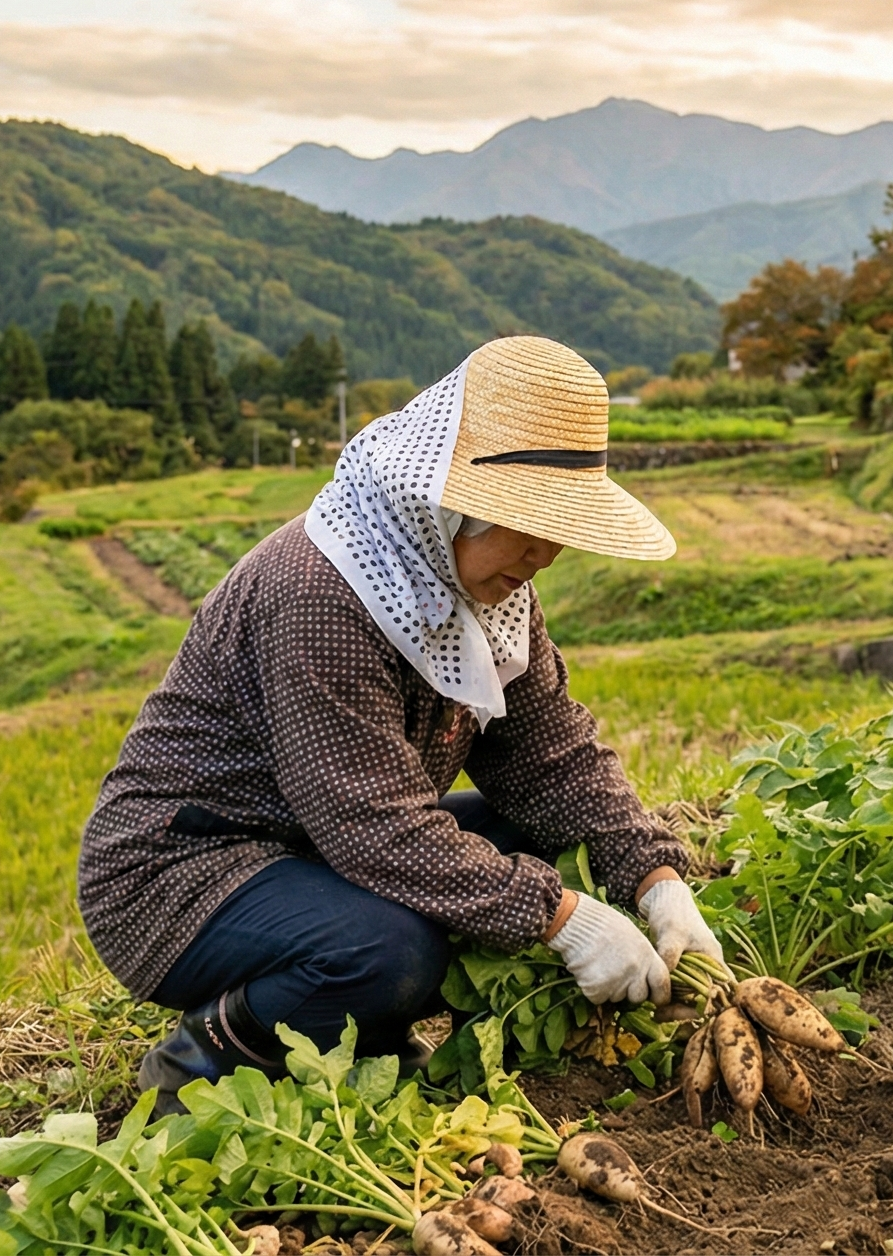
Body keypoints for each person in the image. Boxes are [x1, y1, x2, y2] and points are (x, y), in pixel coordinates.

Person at [78, 335, 723, 1109]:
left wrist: (654, 879)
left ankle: (365, 1039)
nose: (545, 552)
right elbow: (375, 829)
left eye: (558, 529)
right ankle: (204, 1058)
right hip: (185, 869)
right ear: (450, 502)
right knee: (390, 951)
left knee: (552, 838)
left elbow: (551, 756)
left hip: (311, 847)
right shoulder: (325, 591)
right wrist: (560, 918)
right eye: (526, 523)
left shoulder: (484, 588)